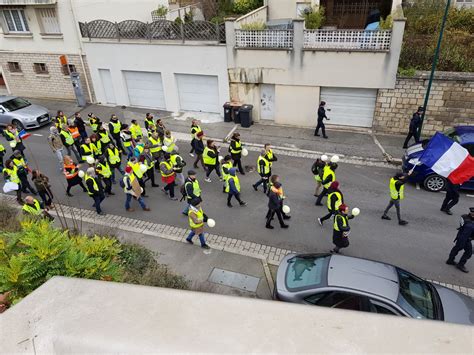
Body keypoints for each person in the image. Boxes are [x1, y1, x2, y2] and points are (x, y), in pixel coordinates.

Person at [446, 207, 474, 273]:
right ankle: (460, 265)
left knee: (456, 248)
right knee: (468, 252)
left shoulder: (464, 216)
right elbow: (467, 232)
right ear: (470, 213)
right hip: (464, 238)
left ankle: (450, 260)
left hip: (461, 236)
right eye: (472, 213)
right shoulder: (470, 224)